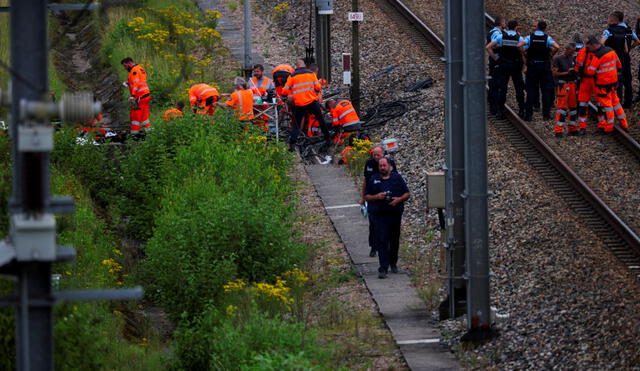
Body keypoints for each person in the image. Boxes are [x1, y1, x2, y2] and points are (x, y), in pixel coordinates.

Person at [365, 157, 410, 279]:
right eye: (380, 166)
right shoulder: (374, 179)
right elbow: (367, 196)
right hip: (380, 215)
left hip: (395, 214)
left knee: (394, 240)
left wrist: (399, 200)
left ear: (389, 166)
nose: (382, 168)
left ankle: (393, 263)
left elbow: (407, 193)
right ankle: (383, 268)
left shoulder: (397, 178)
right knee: (382, 241)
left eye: (384, 165)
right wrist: (377, 197)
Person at [282, 58, 330, 150]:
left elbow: (285, 90)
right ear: (304, 65)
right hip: (312, 102)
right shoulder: (311, 74)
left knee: (296, 124)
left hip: (300, 104)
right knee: (321, 120)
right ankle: (327, 138)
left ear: (297, 66)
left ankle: (292, 145)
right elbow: (317, 87)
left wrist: (284, 96)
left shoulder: (292, 76)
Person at [585, 35, 628, 132]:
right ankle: (624, 124)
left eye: (589, 47)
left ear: (592, 45)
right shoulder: (611, 50)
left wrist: (587, 67)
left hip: (603, 85)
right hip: (613, 83)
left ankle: (609, 127)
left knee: (607, 106)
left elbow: (590, 72)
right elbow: (619, 65)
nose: (588, 50)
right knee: (616, 104)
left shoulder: (598, 56)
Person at [518, 21, 560, 121]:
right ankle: (546, 115)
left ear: (537, 28)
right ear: (544, 28)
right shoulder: (547, 38)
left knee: (531, 90)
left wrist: (525, 54)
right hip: (544, 67)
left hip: (532, 66)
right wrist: (551, 55)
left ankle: (528, 115)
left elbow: (519, 45)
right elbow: (557, 47)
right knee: (545, 90)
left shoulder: (529, 37)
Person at [360, 146, 397, 257]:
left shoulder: (390, 163)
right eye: (374, 155)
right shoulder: (369, 163)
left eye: (378, 155)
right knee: (373, 225)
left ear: (383, 154)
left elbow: (395, 179)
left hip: (386, 197)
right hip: (373, 197)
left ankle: (387, 247)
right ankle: (373, 247)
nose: (375, 157)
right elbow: (366, 181)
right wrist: (363, 197)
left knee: (388, 224)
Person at [486, 19, 525, 118]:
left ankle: (500, 111)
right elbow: (523, 51)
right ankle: (521, 110)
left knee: (502, 88)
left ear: (507, 27)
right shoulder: (519, 38)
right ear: (516, 27)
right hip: (516, 66)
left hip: (503, 65)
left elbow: (488, 47)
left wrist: (495, 57)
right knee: (518, 88)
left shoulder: (501, 36)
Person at [601, 11, 638, 108]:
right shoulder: (629, 30)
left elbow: (601, 44)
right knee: (628, 79)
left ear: (613, 20)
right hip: (626, 56)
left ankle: (617, 102)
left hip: (614, 57)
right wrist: (630, 49)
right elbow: (638, 41)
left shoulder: (610, 30)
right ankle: (628, 102)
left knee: (618, 80)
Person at [575, 35, 605, 131]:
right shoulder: (582, 52)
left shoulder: (599, 53)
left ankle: (602, 124)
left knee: (600, 103)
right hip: (585, 80)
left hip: (596, 80)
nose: (586, 46)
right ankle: (582, 126)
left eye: (587, 44)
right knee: (583, 104)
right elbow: (577, 65)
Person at [552, 43, 578, 137]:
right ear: (567, 49)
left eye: (574, 51)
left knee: (573, 108)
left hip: (572, 84)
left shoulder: (572, 58)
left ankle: (572, 129)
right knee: (561, 108)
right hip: (563, 85)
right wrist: (567, 72)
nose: (573, 53)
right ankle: (558, 131)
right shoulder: (558, 59)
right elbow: (555, 73)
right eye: (572, 51)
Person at [121, 57, 151, 134]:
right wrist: (128, 83)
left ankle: (134, 137)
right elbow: (140, 82)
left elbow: (136, 83)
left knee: (135, 118)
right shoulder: (140, 68)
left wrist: (133, 96)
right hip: (146, 96)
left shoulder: (134, 70)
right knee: (144, 118)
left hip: (139, 98)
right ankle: (149, 134)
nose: (125, 68)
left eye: (125, 66)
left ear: (129, 63)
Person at [487, 16, 506, 116]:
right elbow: (492, 46)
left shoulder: (494, 31)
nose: (505, 24)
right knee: (496, 84)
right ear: (501, 23)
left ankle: (493, 105)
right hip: (497, 61)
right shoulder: (497, 33)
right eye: (504, 22)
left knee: (494, 83)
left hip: (495, 62)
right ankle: (495, 107)